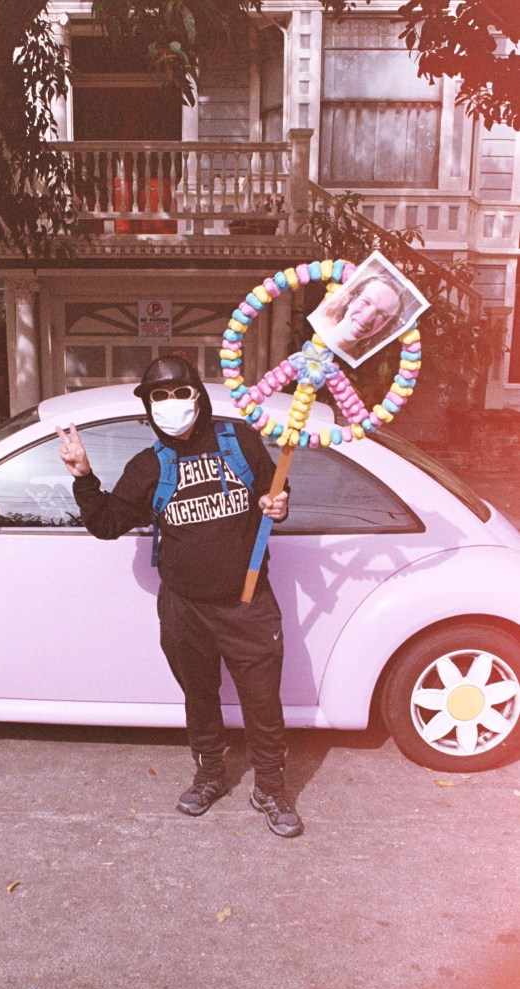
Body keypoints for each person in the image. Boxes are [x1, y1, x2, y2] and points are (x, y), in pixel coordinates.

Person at [56, 354, 303, 838]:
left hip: (248, 603)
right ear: (149, 406)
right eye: (159, 396)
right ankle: (210, 774)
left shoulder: (240, 443)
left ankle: (271, 787)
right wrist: (83, 475)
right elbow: (106, 523)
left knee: (262, 702)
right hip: (184, 608)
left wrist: (279, 503)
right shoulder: (148, 466)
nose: (171, 403)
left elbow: (276, 491)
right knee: (200, 696)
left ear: (198, 396)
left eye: (180, 392)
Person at [315, 273, 404, 363]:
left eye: (382, 315)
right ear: (352, 300)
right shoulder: (313, 326)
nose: (367, 318)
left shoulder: (368, 364)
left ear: (385, 325)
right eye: (366, 302)